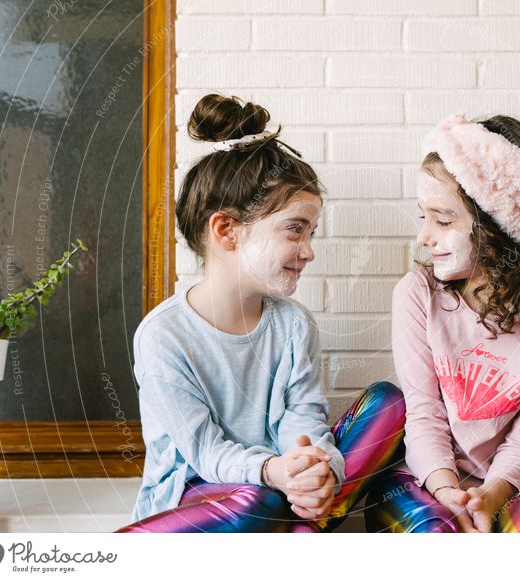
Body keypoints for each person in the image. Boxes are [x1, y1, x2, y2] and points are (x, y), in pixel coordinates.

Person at [117, 95, 405, 533]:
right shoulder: (164, 335)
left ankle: (304, 514)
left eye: (311, 233)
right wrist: (274, 472)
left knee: (389, 403)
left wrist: (314, 465)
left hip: (282, 483)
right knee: (256, 500)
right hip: (205, 503)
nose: (308, 252)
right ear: (227, 230)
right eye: (295, 230)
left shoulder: (293, 324)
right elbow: (207, 454)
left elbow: (302, 417)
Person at [364, 114, 520, 533]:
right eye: (424, 217)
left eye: (444, 220)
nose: (424, 237)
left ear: (499, 230)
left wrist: (487, 497)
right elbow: (424, 414)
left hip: (502, 489)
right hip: (419, 479)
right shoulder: (417, 294)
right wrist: (447, 491)